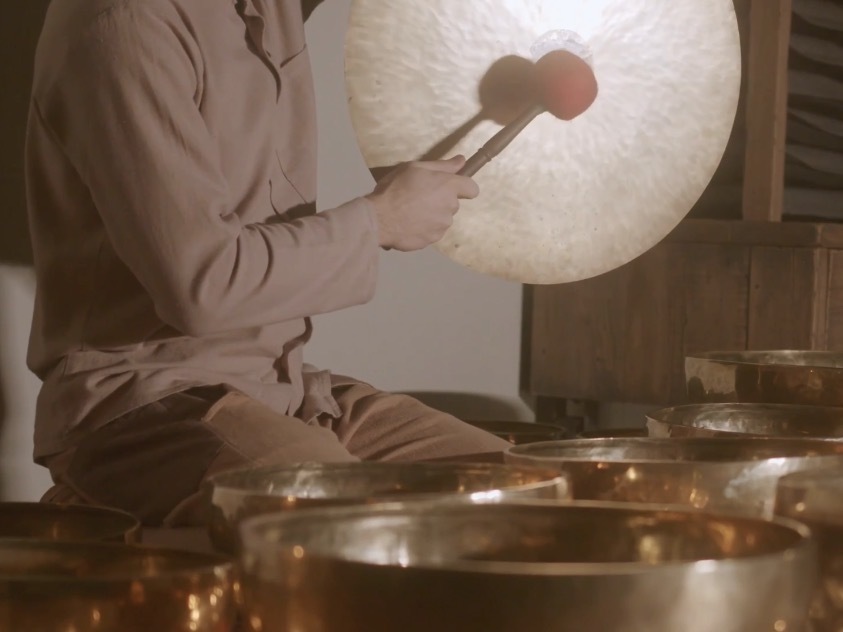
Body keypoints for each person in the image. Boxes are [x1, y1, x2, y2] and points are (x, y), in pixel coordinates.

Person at [24, 0, 511, 528]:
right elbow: (204, 285)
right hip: (146, 407)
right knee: (352, 528)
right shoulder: (126, 24)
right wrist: (380, 221)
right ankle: (106, 523)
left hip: (285, 390)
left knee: (530, 496)